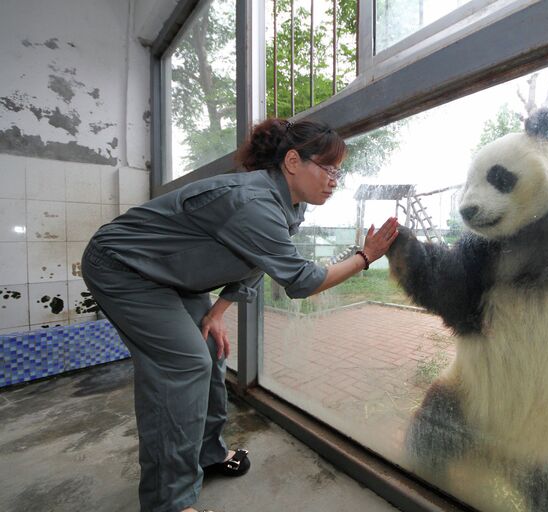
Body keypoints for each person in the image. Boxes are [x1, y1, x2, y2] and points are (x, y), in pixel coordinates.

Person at [81, 118, 399, 512]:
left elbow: (252, 262)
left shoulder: (286, 206)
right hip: (122, 265)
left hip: (171, 276)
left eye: (340, 172)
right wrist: (364, 257)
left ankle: (207, 454)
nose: (335, 180)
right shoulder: (254, 202)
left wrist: (216, 313)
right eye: (329, 168)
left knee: (211, 351)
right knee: (183, 366)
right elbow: (300, 281)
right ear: (294, 161)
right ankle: (168, 502)